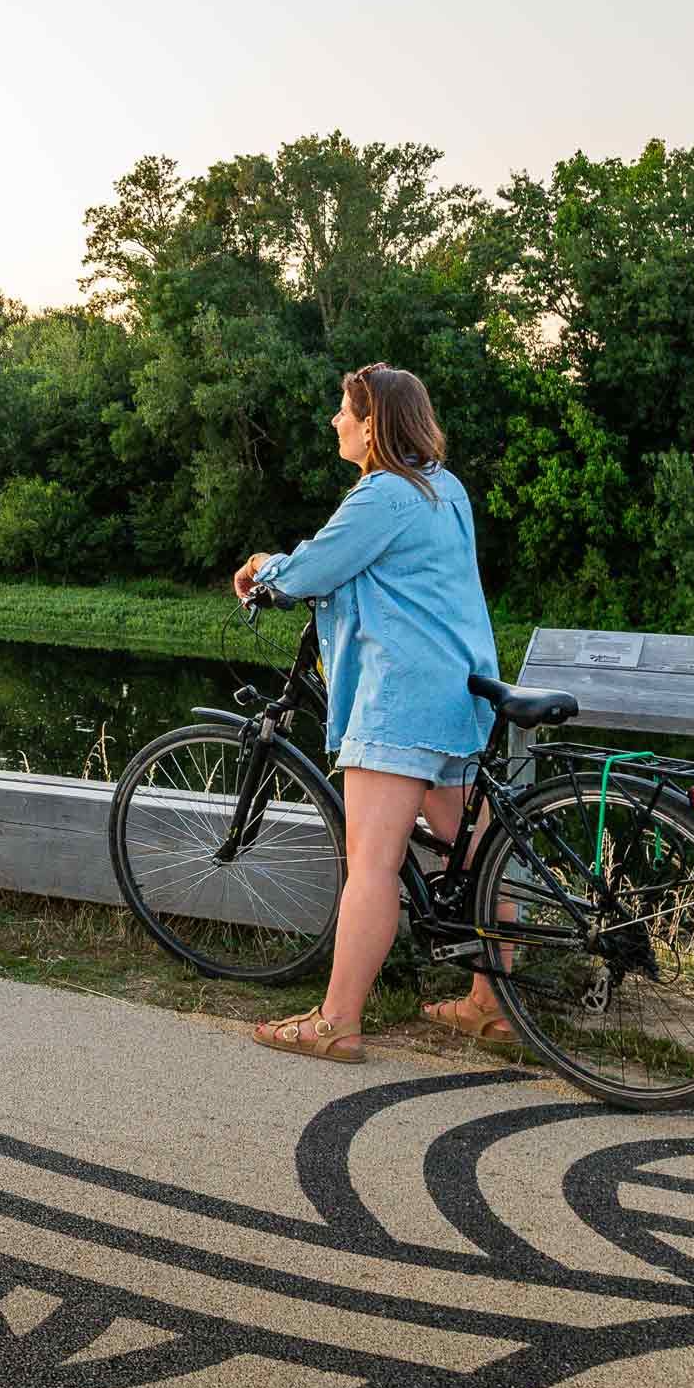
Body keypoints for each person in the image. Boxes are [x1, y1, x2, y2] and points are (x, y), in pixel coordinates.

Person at [234, 363, 506, 1063]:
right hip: (461, 690)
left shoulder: (383, 493)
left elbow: (313, 570)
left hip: (402, 700)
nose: (335, 421)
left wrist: (264, 567)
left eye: (343, 409)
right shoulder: (445, 489)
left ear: (373, 422)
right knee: (477, 854)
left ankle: (337, 1021)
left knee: (373, 866)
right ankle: (493, 1005)